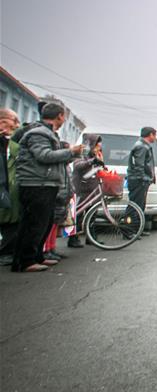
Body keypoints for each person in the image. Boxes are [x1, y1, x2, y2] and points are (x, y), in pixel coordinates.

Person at [9, 103, 83, 272]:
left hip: (45, 183)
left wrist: (71, 155)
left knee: (44, 222)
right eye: (63, 116)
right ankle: (24, 261)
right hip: (35, 183)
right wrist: (71, 152)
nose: (64, 120)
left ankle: (37, 256)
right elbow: (43, 156)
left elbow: (53, 158)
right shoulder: (39, 133)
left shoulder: (47, 133)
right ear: (59, 116)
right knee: (34, 223)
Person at [69, 133, 104, 248]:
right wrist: (92, 161)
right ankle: (73, 238)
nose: (99, 148)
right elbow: (78, 166)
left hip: (92, 187)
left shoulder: (97, 154)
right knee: (78, 213)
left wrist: (101, 164)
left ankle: (91, 238)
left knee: (92, 213)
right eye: (97, 146)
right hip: (81, 187)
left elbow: (100, 168)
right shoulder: (82, 153)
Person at [0, 108, 22, 266]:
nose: (16, 125)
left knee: (11, 218)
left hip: (8, 183)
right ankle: (5, 253)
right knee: (8, 218)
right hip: (6, 182)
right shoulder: (10, 142)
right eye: (14, 121)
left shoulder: (6, 140)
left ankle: (7, 252)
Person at [126, 126, 156, 236]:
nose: (155, 138)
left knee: (139, 206)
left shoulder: (143, 145)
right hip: (138, 180)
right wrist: (144, 178)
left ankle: (137, 229)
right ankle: (128, 230)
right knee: (134, 206)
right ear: (150, 135)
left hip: (140, 180)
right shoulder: (141, 146)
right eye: (154, 135)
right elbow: (139, 165)